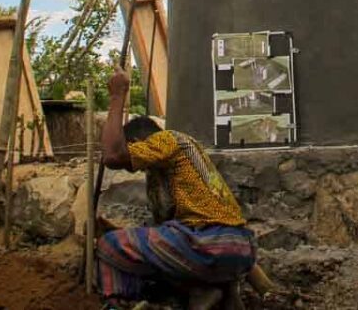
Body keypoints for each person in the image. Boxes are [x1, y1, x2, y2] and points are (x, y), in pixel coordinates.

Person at [95, 67, 256, 307]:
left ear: (140, 143)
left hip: (210, 243)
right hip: (239, 248)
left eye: (134, 152)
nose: (135, 167)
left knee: (109, 245)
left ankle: (118, 304)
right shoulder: (177, 174)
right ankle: (208, 289)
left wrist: (118, 95)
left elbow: (113, 155)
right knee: (154, 255)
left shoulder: (167, 140)